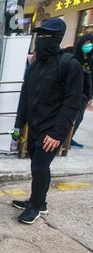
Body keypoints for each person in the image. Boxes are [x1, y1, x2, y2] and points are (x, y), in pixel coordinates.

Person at [12, 18, 83, 224]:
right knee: (38, 165)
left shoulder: (69, 65)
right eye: (40, 36)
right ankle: (39, 201)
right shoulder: (35, 65)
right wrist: (19, 124)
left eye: (47, 36)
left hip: (52, 129)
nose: (42, 40)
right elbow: (25, 96)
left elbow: (72, 104)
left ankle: (36, 206)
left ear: (57, 38)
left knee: (39, 166)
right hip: (34, 126)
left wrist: (57, 133)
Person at [70, 34, 93, 148]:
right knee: (71, 117)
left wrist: (90, 96)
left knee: (79, 118)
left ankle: (70, 138)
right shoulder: (74, 58)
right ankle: (65, 138)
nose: (88, 46)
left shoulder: (90, 60)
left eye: (91, 43)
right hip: (73, 93)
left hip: (84, 95)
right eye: (86, 43)